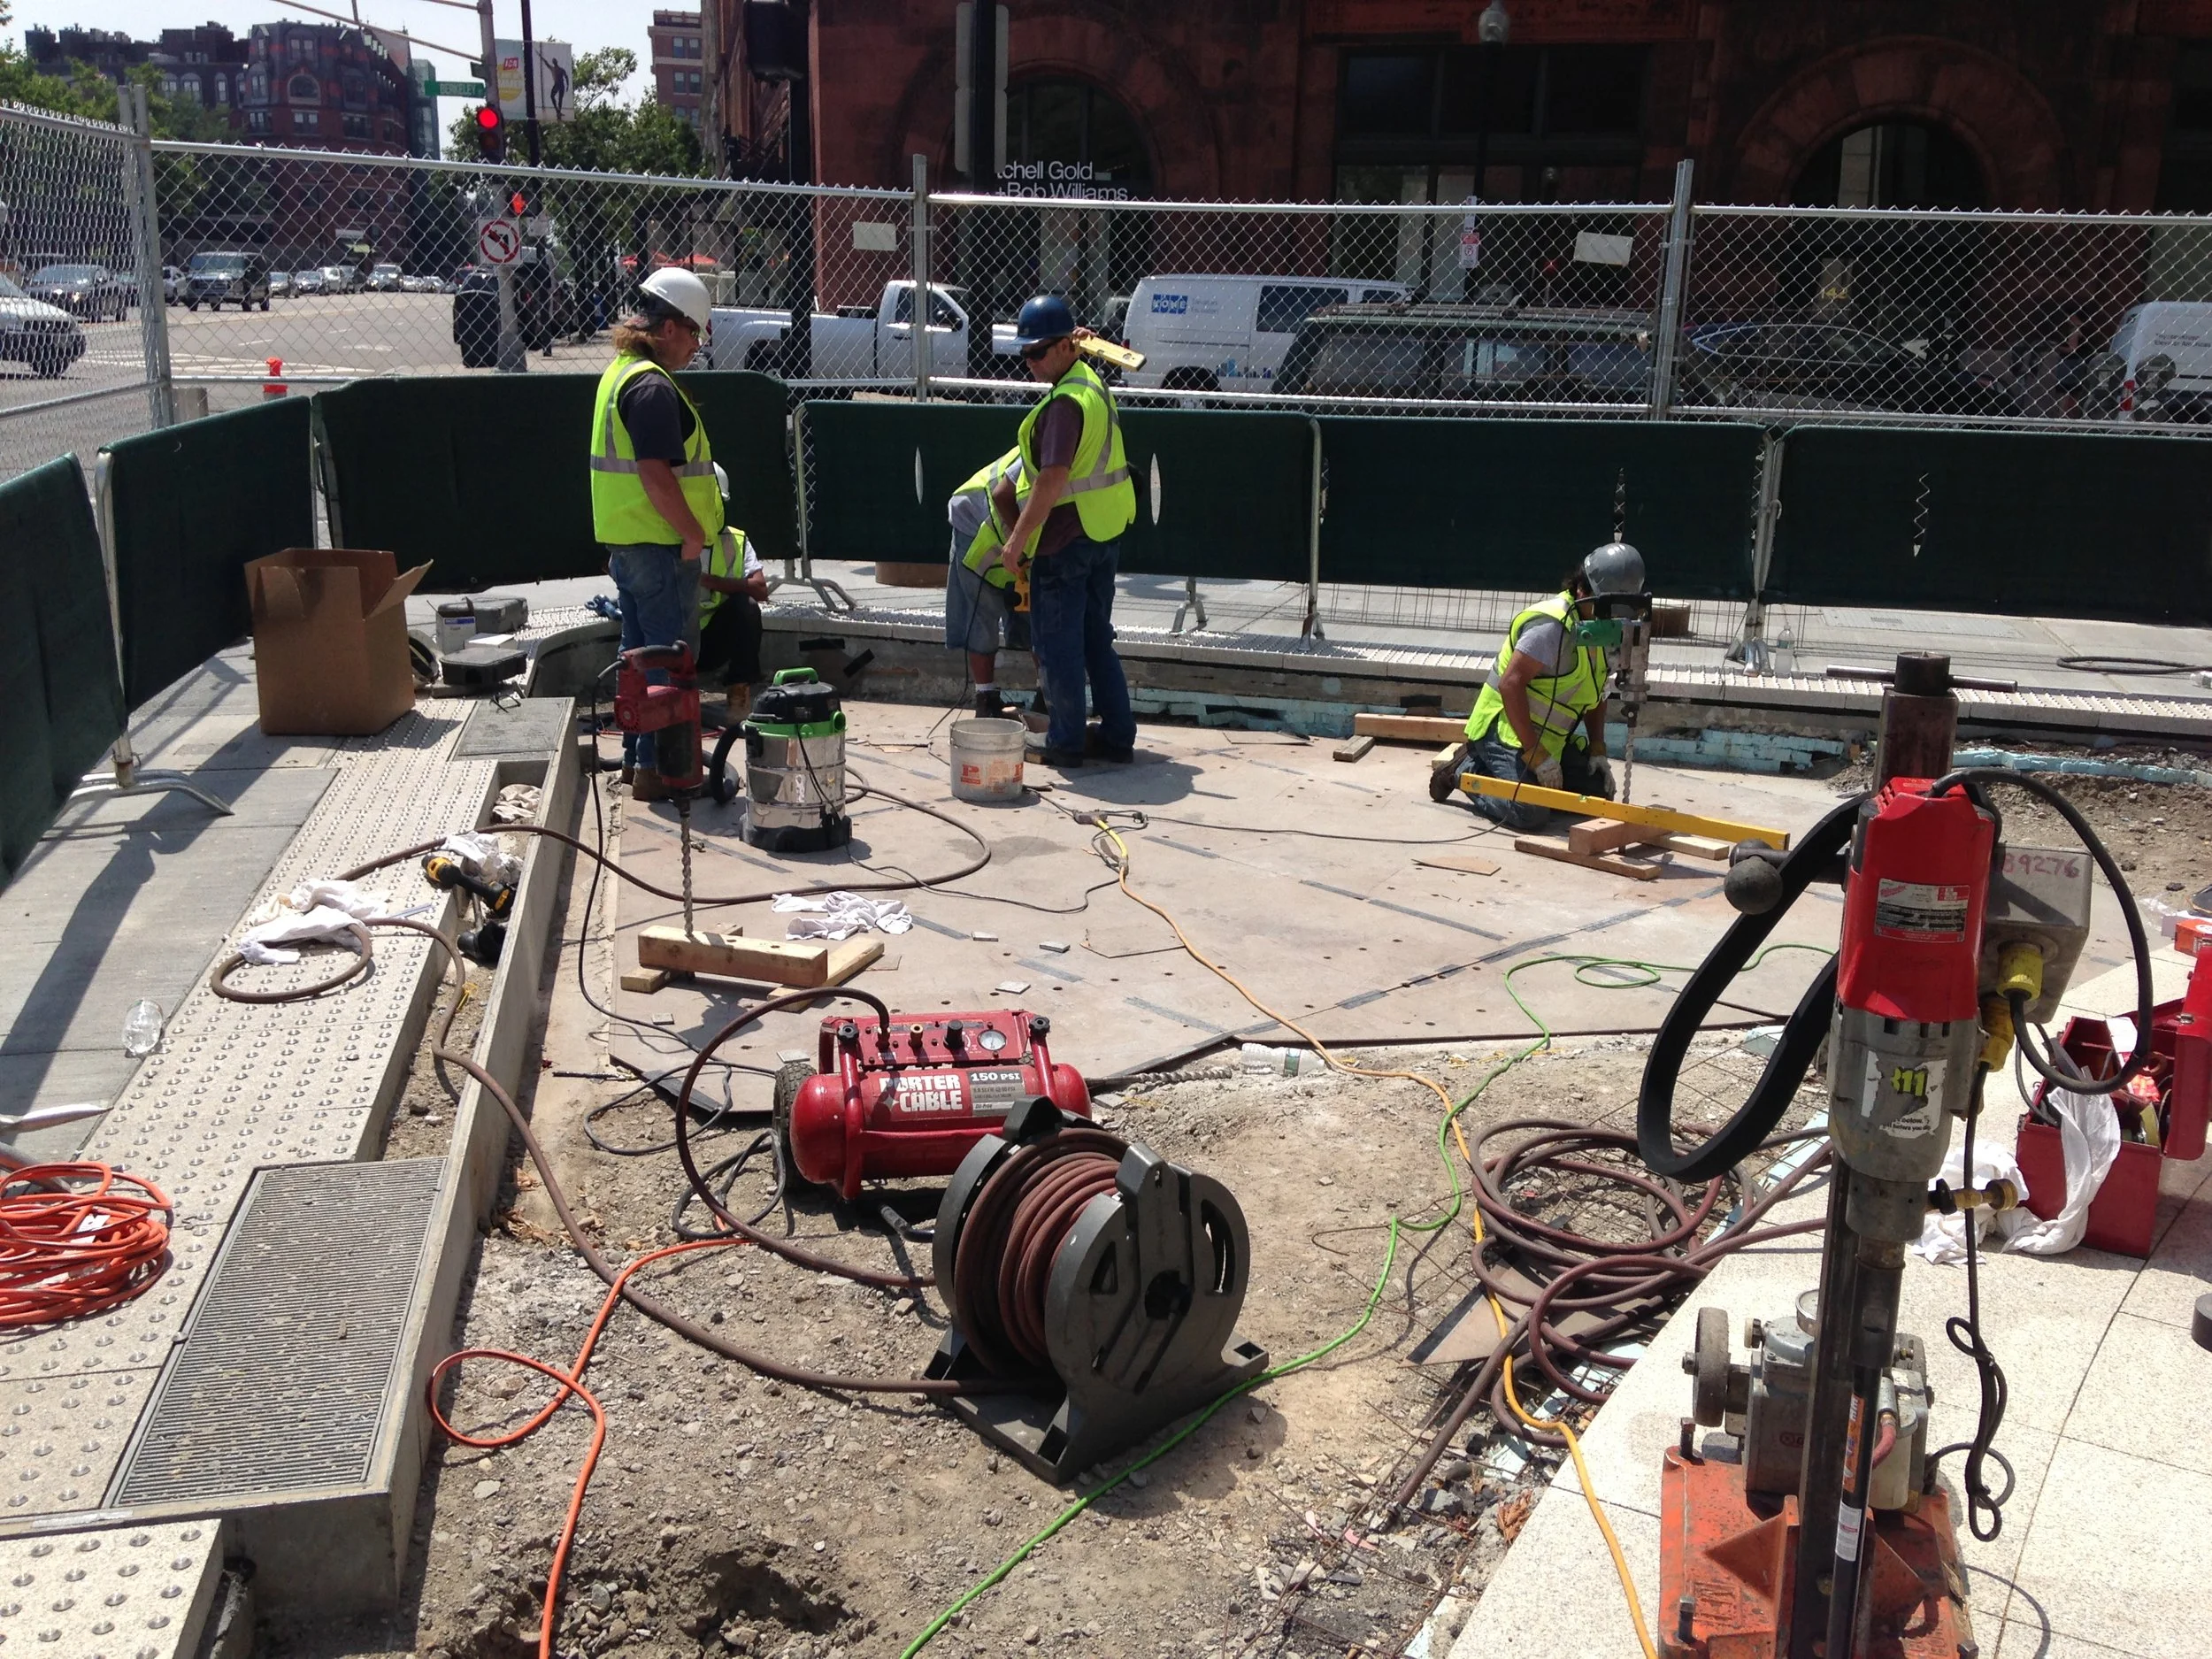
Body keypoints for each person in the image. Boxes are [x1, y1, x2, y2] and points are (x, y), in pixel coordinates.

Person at [588, 265, 720, 797]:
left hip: (630, 544)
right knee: (667, 661)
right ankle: (660, 773)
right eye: (695, 332)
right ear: (670, 328)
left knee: (639, 658)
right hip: (660, 545)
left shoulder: (620, 374)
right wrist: (692, 534)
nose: (696, 345)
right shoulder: (649, 387)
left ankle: (635, 762)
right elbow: (654, 472)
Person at [995, 295, 1139, 768]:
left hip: (1066, 540)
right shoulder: (1089, 382)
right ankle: (1118, 737)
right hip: (1103, 532)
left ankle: (1066, 742)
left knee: (1057, 645)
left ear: (1064, 347)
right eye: (1025, 354)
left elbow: (1052, 480)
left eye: (1037, 352)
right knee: (1096, 638)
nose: (1030, 362)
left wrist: (1015, 541)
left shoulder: (1063, 404)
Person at [1432, 541, 1645, 830]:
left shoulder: (1602, 630)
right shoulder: (1550, 627)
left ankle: (1533, 782)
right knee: (1529, 812)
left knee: (1597, 797)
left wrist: (1598, 748)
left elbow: (1596, 692)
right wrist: (1535, 755)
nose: (1615, 618)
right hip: (1505, 733)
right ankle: (1464, 771)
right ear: (1583, 592)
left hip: (1550, 738)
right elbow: (1510, 685)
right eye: (1608, 608)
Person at [945, 446, 1044, 718]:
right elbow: (1002, 494)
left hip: (1016, 543)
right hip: (976, 524)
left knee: (1038, 618)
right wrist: (1019, 540)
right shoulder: (1050, 445)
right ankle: (986, 698)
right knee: (981, 614)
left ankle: (1046, 695)